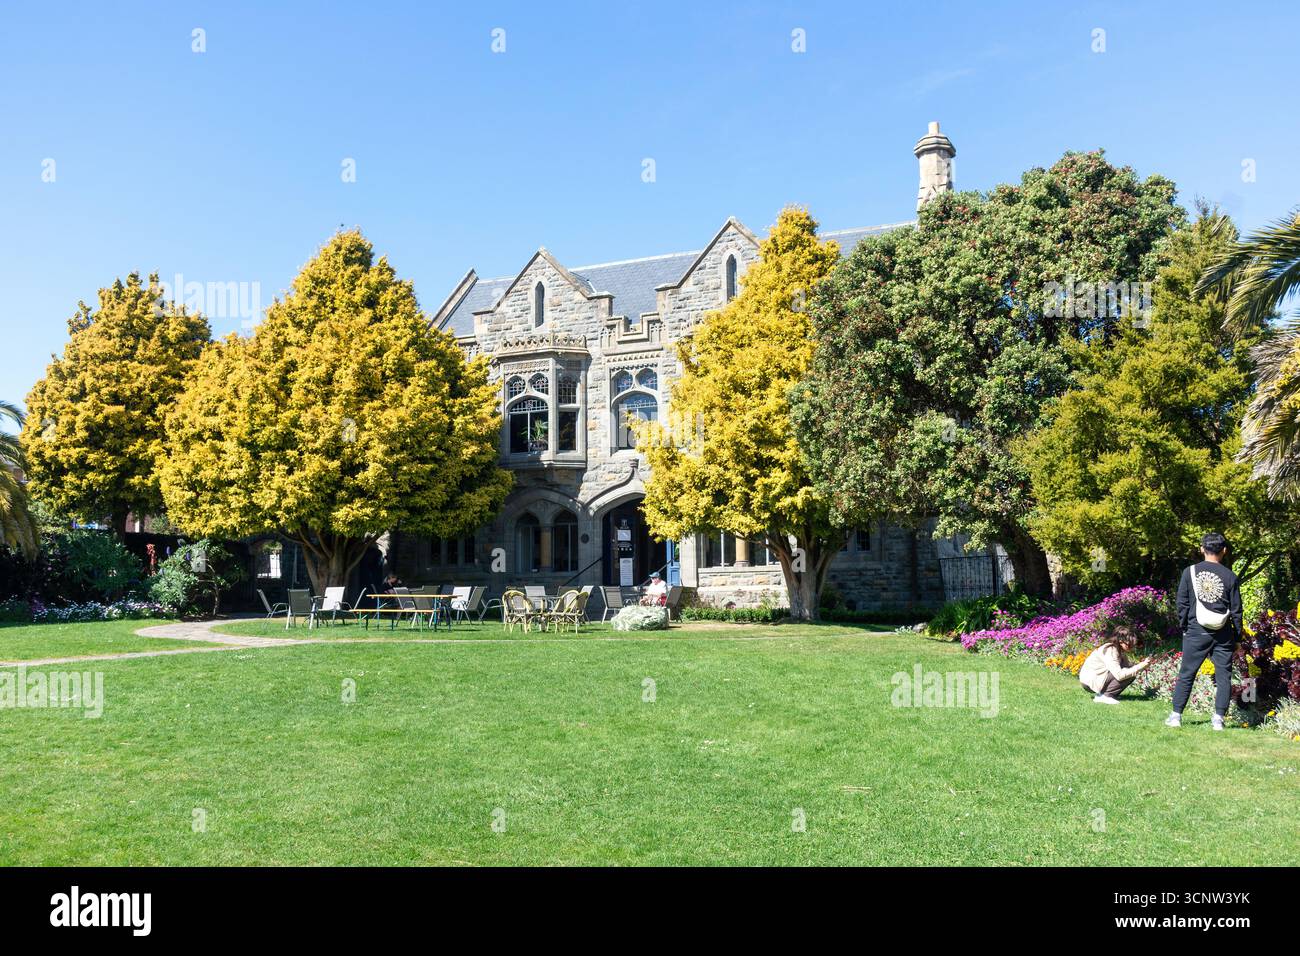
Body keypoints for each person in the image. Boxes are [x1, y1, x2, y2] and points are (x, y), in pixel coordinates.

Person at [1167, 532, 1243, 731]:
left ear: (1202, 549)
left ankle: (1176, 716)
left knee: (1187, 673)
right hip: (1223, 633)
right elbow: (1236, 611)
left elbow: (1181, 604)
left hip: (1195, 631)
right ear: (1224, 551)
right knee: (1223, 676)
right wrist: (1237, 637)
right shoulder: (1231, 576)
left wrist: (1185, 626)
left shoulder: (1189, 572)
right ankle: (1218, 719)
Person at [1078, 626, 1151, 704]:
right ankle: (1105, 696)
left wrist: (1141, 665)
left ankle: (1108, 695)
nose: (1132, 647)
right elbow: (1119, 675)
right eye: (1129, 644)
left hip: (1096, 678)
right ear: (1120, 640)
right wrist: (1140, 666)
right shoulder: (1110, 650)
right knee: (1129, 673)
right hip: (1090, 681)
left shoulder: (1118, 650)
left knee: (1130, 670)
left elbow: (1127, 667)